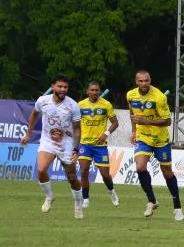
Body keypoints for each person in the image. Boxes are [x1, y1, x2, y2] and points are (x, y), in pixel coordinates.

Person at [19, 75, 85, 218]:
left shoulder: (73, 105)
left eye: (65, 87)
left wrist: (75, 148)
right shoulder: (42, 101)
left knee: (72, 178)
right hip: (48, 141)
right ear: (53, 86)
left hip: (66, 144)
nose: (63, 89)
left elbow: (77, 129)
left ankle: (78, 204)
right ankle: (49, 196)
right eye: (60, 86)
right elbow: (34, 115)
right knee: (41, 169)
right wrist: (28, 134)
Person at [127, 70, 182, 220]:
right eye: (141, 81)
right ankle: (152, 201)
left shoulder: (159, 97)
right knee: (140, 167)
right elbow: (133, 114)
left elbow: (167, 121)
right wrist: (134, 131)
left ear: (150, 80)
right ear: (136, 82)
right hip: (143, 138)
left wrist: (146, 121)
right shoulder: (130, 95)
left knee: (167, 173)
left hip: (160, 140)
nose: (144, 83)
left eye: (146, 80)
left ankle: (177, 206)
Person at [77, 81, 120, 208]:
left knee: (105, 175)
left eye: (96, 90)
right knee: (84, 171)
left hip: (100, 145)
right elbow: (75, 123)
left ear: (99, 91)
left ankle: (112, 191)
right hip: (85, 144)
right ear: (87, 91)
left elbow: (115, 123)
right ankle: (85, 198)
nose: (94, 92)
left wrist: (106, 134)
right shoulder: (80, 105)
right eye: (92, 90)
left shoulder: (106, 104)